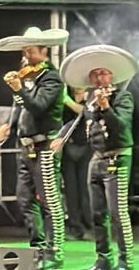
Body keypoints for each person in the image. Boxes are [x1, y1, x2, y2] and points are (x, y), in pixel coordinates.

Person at [55, 44, 138, 270]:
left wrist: (106, 108)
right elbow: (79, 120)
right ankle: (103, 259)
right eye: (95, 74)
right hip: (97, 158)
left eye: (103, 73)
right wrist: (61, 136)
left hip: (117, 158)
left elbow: (122, 129)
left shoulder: (123, 96)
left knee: (118, 213)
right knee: (98, 213)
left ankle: (125, 261)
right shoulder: (90, 100)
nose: (100, 78)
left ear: (111, 76)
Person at [0, 27, 69, 269]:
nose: (26, 55)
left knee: (50, 201)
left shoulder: (52, 79)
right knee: (25, 200)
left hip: (44, 145)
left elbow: (37, 107)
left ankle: (54, 253)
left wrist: (19, 89)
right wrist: (9, 125)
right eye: (24, 50)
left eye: (30, 50)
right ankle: (37, 250)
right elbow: (20, 108)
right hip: (26, 148)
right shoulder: (29, 77)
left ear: (43, 51)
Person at [62, 86, 93, 241]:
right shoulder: (63, 96)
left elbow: (86, 113)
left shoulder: (92, 96)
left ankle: (90, 225)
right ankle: (75, 227)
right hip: (67, 148)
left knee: (86, 189)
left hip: (87, 147)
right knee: (71, 190)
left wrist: (68, 101)